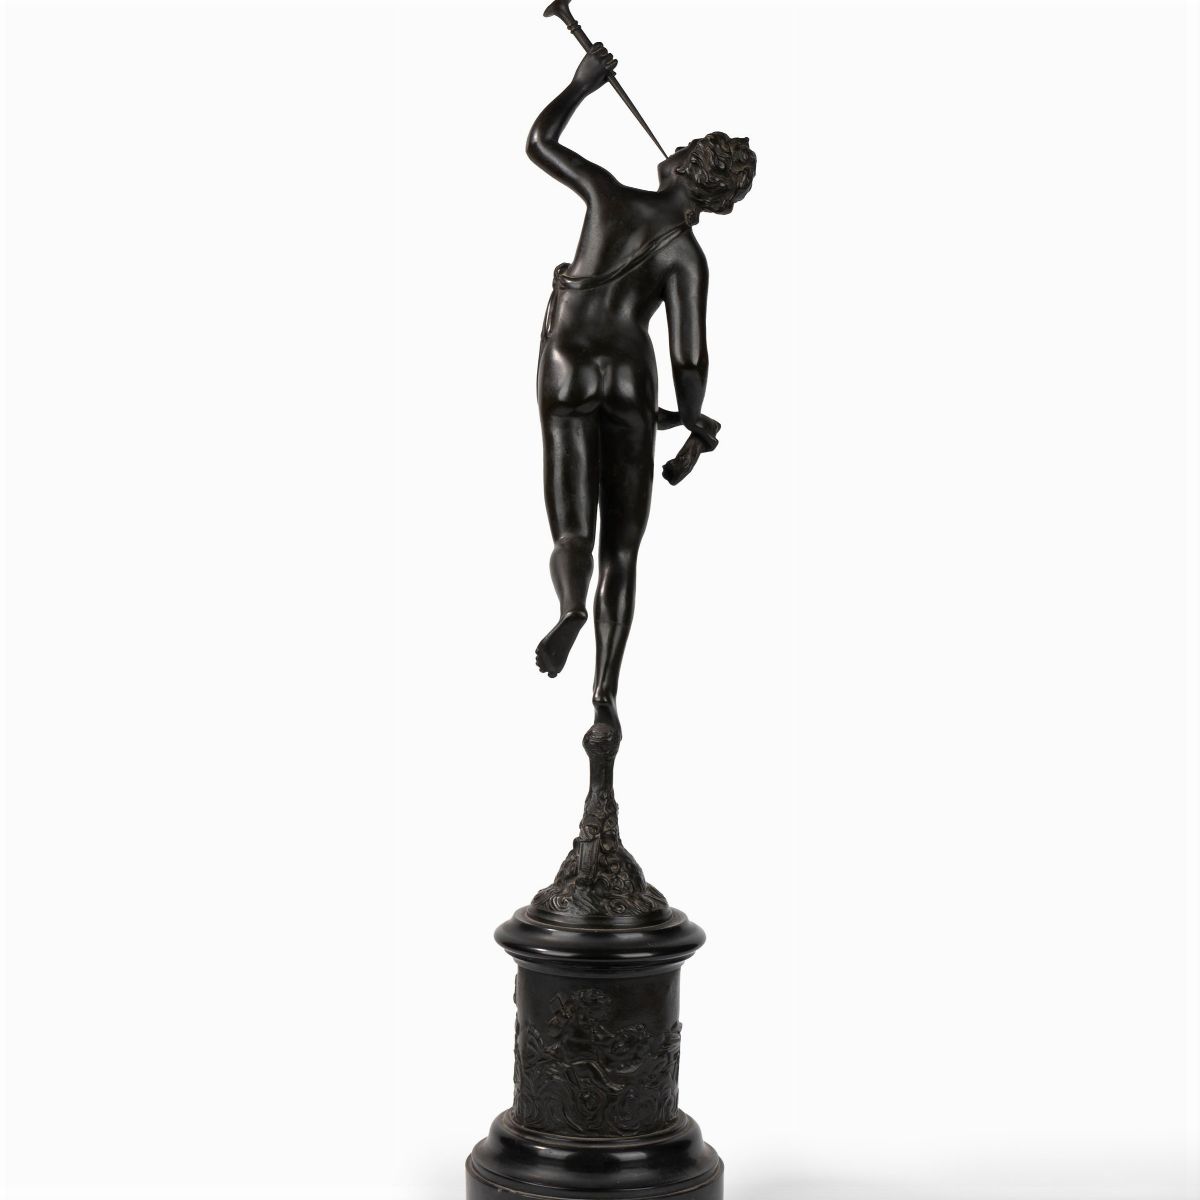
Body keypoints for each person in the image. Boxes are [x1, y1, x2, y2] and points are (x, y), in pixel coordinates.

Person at [529, 43, 756, 737]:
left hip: (567, 364)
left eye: (685, 148)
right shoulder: (687, 255)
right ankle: (604, 697)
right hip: (630, 375)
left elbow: (539, 143)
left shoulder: (608, 196)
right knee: (622, 552)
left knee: (574, 528)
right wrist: (689, 418)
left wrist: (580, 85)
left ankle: (570, 606)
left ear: (687, 167)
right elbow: (690, 357)